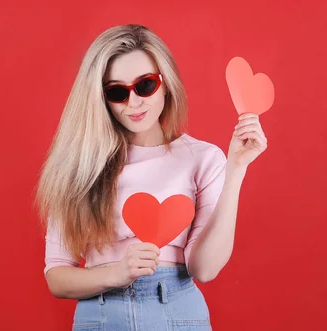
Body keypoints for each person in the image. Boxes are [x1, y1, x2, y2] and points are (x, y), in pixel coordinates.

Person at [35, 24, 268, 330]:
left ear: (166, 83)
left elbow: (205, 269)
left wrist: (236, 170)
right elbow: (57, 277)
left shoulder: (202, 158)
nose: (134, 103)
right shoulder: (79, 167)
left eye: (145, 86)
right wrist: (116, 274)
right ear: (101, 99)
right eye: (117, 92)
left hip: (178, 313)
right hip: (103, 316)